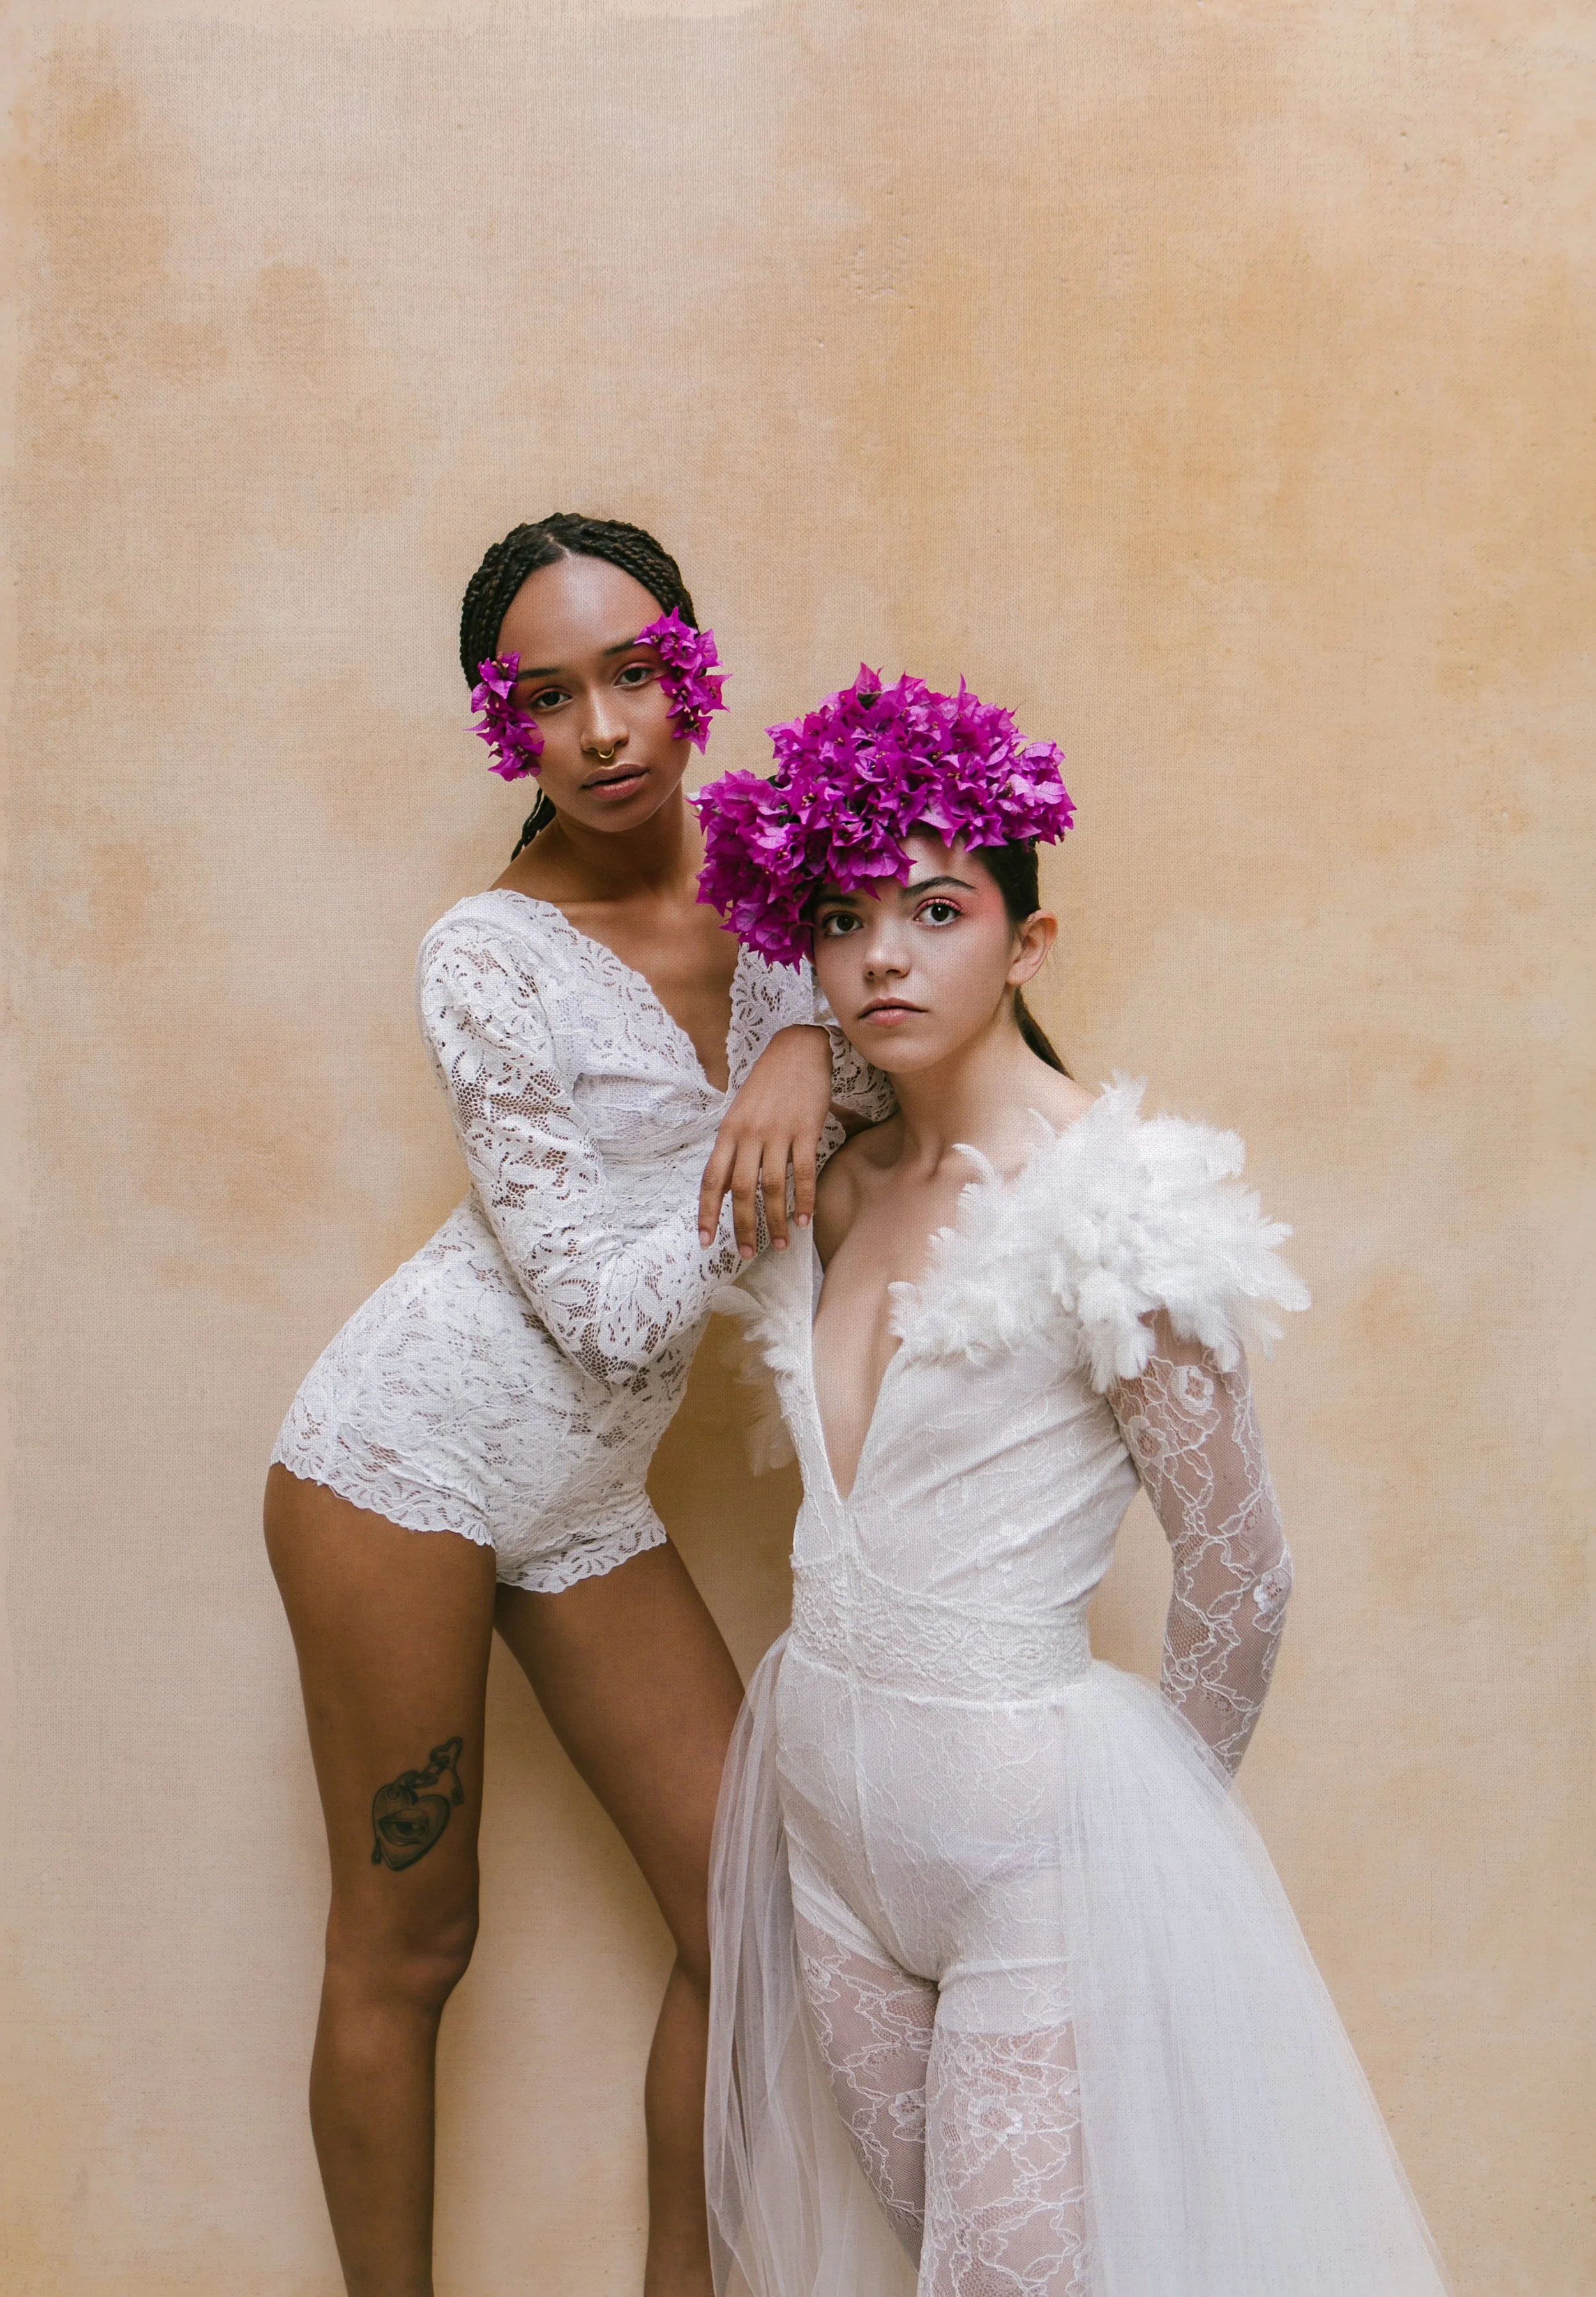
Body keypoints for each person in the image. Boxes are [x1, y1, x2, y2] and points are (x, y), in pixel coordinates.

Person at [696, 670, 1451, 2296]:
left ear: (1025, 940)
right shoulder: (837, 1187)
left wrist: (1137, 1874)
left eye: (936, 909)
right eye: (840, 918)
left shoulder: (1117, 1204)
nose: (882, 954)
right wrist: (797, 1054)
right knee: (928, 2259)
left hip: (1028, 1864)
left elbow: (1239, 1576)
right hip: (826, 1836)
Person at [264, 516, 887, 2297]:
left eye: (633, 674)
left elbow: (913, 1025)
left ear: (692, 668)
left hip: (584, 1498)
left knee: (745, 1916)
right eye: (547, 698)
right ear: (503, 727)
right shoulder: (483, 955)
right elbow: (608, 1318)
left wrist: (806, 1045)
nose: (603, 729)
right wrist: (773, 1127)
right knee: (413, 1937)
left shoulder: (787, 897)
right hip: (405, 1461)